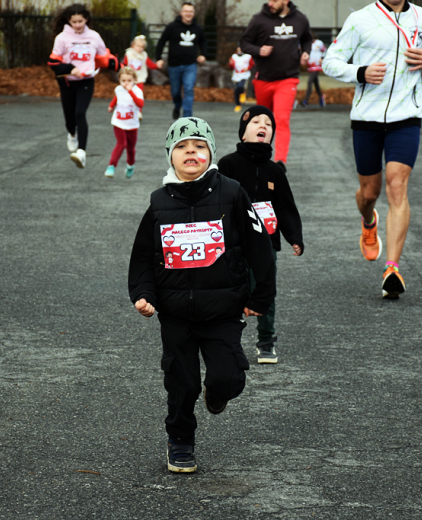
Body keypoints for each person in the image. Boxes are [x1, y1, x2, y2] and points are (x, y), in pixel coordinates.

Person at [128, 117, 276, 473]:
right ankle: (180, 441)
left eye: (198, 146)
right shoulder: (159, 202)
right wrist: (144, 293)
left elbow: (260, 249)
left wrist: (259, 298)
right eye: (181, 147)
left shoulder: (232, 193)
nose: (190, 152)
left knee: (229, 377)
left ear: (210, 152)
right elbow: (144, 255)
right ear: (170, 156)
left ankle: (218, 391)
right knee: (182, 384)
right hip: (175, 311)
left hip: (223, 309)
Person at [322, 0, 422, 298]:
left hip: (407, 116)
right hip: (367, 118)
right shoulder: (360, 19)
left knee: (397, 184)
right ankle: (369, 221)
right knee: (369, 193)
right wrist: (360, 72)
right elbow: (330, 61)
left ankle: (392, 268)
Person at [217, 106, 304, 364]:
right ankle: (228, 341)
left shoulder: (275, 171)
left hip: (266, 243)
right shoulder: (227, 164)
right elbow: (217, 202)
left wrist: (294, 236)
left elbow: (286, 206)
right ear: (244, 133)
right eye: (256, 121)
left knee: (266, 289)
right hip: (234, 242)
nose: (263, 125)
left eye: (268, 123)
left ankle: (266, 342)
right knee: (231, 290)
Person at [239, 0, 313, 172]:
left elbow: (307, 39)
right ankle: (259, 157)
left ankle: (280, 162)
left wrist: (306, 52)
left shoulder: (300, 19)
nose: (270, 3)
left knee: (281, 119)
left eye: (275, 0)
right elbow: (244, 43)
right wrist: (258, 50)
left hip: (288, 79)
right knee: (262, 122)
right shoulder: (258, 19)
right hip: (263, 79)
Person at [48, 3, 118, 169]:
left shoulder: (94, 36)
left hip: (86, 81)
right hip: (67, 82)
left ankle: (81, 152)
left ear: (86, 19)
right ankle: (72, 134)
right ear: (69, 21)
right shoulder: (62, 38)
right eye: (74, 22)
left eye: (81, 21)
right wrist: (70, 68)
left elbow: (104, 57)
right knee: (70, 120)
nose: (78, 25)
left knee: (80, 113)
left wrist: (119, 67)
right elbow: (53, 63)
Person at [154, 3, 207, 119]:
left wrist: (203, 54)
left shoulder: (197, 28)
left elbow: (203, 42)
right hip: (174, 65)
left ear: (193, 13)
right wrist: (158, 58)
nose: (188, 14)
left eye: (191, 11)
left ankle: (187, 116)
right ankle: (177, 105)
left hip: (190, 65)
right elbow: (162, 42)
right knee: (176, 91)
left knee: (188, 88)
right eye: (186, 11)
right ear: (181, 12)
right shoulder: (172, 27)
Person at [106, 67, 144, 179]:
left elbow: (140, 104)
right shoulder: (118, 89)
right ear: (119, 81)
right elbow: (117, 98)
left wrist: (130, 91)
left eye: (129, 80)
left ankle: (130, 165)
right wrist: (111, 106)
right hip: (118, 122)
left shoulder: (137, 91)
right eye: (123, 81)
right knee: (121, 143)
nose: (126, 83)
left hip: (132, 124)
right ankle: (111, 166)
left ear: (134, 80)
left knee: (131, 148)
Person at [302, 36, 326, 108]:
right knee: (316, 83)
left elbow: (325, 50)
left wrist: (322, 58)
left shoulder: (319, 43)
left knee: (310, 81)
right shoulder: (307, 43)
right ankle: (321, 97)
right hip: (310, 65)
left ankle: (306, 100)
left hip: (317, 65)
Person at [229, 47, 254, 113]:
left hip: (244, 75)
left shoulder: (248, 56)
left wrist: (248, 68)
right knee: (236, 90)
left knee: (240, 86)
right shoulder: (234, 56)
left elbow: (252, 64)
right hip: (236, 75)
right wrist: (231, 64)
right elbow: (231, 66)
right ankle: (238, 104)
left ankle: (242, 92)